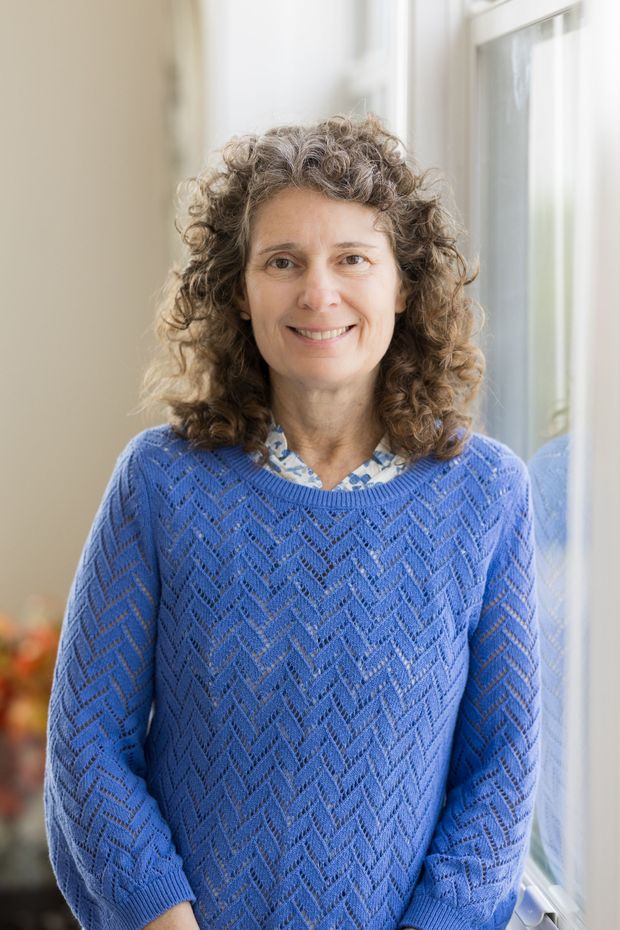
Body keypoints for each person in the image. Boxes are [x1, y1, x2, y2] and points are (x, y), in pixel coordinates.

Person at [43, 113, 541, 930]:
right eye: (283, 262)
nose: (319, 293)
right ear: (239, 290)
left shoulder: (489, 497)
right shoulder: (160, 484)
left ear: (402, 286)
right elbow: (87, 745)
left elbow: (503, 771)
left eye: (353, 259)